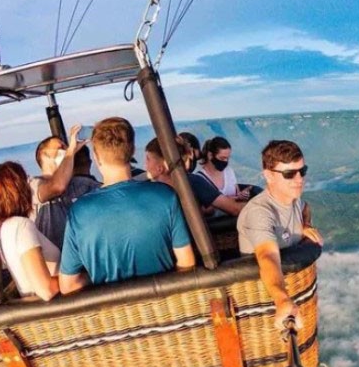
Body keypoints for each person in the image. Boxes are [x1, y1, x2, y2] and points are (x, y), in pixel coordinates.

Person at [59, 117, 195, 294]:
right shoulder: (164, 196)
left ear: (96, 156)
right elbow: (187, 263)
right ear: (131, 152)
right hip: (165, 307)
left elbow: (68, 285)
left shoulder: (79, 212)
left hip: (115, 316)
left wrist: (94, 276)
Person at [237, 140, 323, 330]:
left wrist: (305, 225)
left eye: (303, 171)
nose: (299, 179)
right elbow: (267, 256)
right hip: (263, 302)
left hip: (295, 292)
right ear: (269, 176)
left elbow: (305, 207)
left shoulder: (293, 198)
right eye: (289, 174)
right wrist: (282, 299)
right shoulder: (260, 213)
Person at [0, 162, 60, 301]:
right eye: (26, 180)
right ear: (20, 189)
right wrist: (79, 277)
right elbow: (45, 289)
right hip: (58, 308)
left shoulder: (4, 228)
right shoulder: (22, 227)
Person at [144, 136, 245, 217]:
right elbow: (234, 209)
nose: (145, 164)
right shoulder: (193, 181)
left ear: (161, 167)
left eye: (148, 159)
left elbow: (233, 209)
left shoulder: (147, 190)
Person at [30, 126, 89, 248]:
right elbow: (57, 186)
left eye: (66, 147)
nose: (66, 150)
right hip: (55, 259)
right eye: (61, 147)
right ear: (44, 155)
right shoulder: (33, 185)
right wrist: (71, 151)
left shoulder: (78, 183)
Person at [197, 136, 251, 201]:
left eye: (227, 158)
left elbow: (237, 193)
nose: (225, 161)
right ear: (210, 155)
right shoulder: (200, 179)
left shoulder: (229, 171)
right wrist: (236, 198)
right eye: (222, 158)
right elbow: (205, 209)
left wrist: (242, 195)